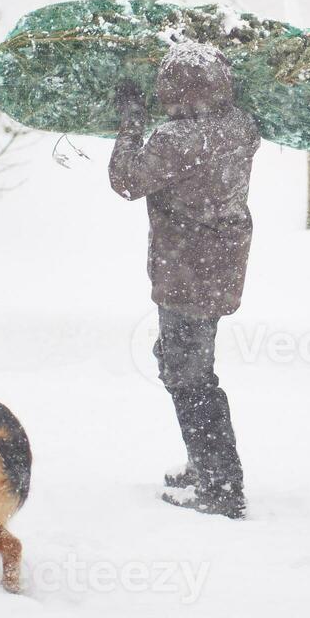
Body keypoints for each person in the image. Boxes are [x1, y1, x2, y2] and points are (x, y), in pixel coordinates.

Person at [109, 42, 261, 519]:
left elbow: (126, 180)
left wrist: (131, 121)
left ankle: (221, 488)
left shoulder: (176, 140)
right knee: (184, 365)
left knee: (189, 377)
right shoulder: (241, 127)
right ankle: (205, 465)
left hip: (186, 273)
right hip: (221, 272)